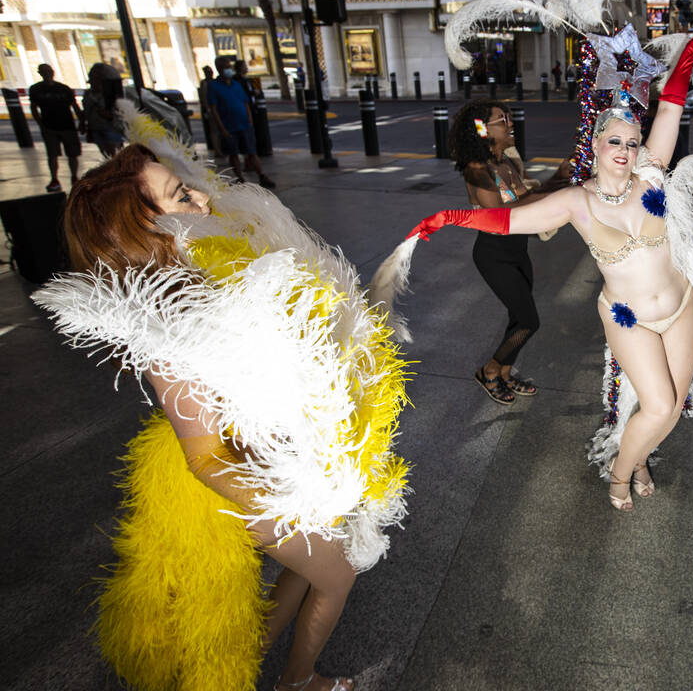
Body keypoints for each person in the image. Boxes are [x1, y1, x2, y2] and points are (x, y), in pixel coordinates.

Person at [33, 125, 413, 691]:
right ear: (141, 230)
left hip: (277, 459)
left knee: (310, 570)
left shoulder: (206, 278)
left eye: (191, 189)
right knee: (336, 576)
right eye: (180, 197)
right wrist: (296, 499)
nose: (203, 199)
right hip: (249, 480)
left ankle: (270, 662)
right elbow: (205, 457)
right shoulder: (167, 332)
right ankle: (298, 680)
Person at [402, 26, 693, 511]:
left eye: (633, 143)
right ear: (594, 146)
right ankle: (621, 474)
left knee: (673, 406)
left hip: (681, 306)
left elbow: (670, 106)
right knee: (657, 405)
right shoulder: (577, 201)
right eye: (614, 140)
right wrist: (449, 216)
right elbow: (509, 220)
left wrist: (692, 53)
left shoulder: (651, 174)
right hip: (628, 318)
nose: (625, 150)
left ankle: (640, 456)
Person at [451, 100, 543, 404]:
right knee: (529, 320)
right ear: (482, 128)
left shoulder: (509, 163)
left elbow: (530, 199)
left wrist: (561, 181)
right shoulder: (477, 171)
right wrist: (546, 197)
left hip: (518, 249)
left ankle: (505, 372)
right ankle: (489, 371)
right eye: (502, 119)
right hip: (494, 253)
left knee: (518, 317)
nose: (510, 123)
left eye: (509, 117)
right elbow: (500, 216)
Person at [207, 55, 274, 188]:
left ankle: (261, 175)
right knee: (234, 153)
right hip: (228, 126)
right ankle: (240, 178)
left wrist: (250, 120)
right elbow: (213, 109)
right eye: (226, 67)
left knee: (251, 151)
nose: (229, 69)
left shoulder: (236, 84)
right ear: (219, 68)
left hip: (244, 124)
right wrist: (222, 129)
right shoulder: (213, 86)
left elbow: (245, 103)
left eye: (229, 67)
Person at [28, 63, 83, 192]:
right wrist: (41, 124)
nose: (47, 74)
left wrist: (81, 121)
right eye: (44, 71)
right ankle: (54, 178)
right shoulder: (36, 89)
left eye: (48, 71)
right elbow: (34, 107)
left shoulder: (63, 89)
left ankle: (74, 176)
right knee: (52, 154)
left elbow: (74, 106)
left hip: (67, 125)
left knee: (72, 153)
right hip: (49, 126)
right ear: (40, 73)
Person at [81, 62, 125, 158]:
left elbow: (119, 112)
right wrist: (84, 124)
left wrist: (108, 114)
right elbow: (86, 111)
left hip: (111, 127)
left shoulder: (112, 94)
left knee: (114, 153)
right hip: (96, 127)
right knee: (106, 153)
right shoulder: (89, 94)